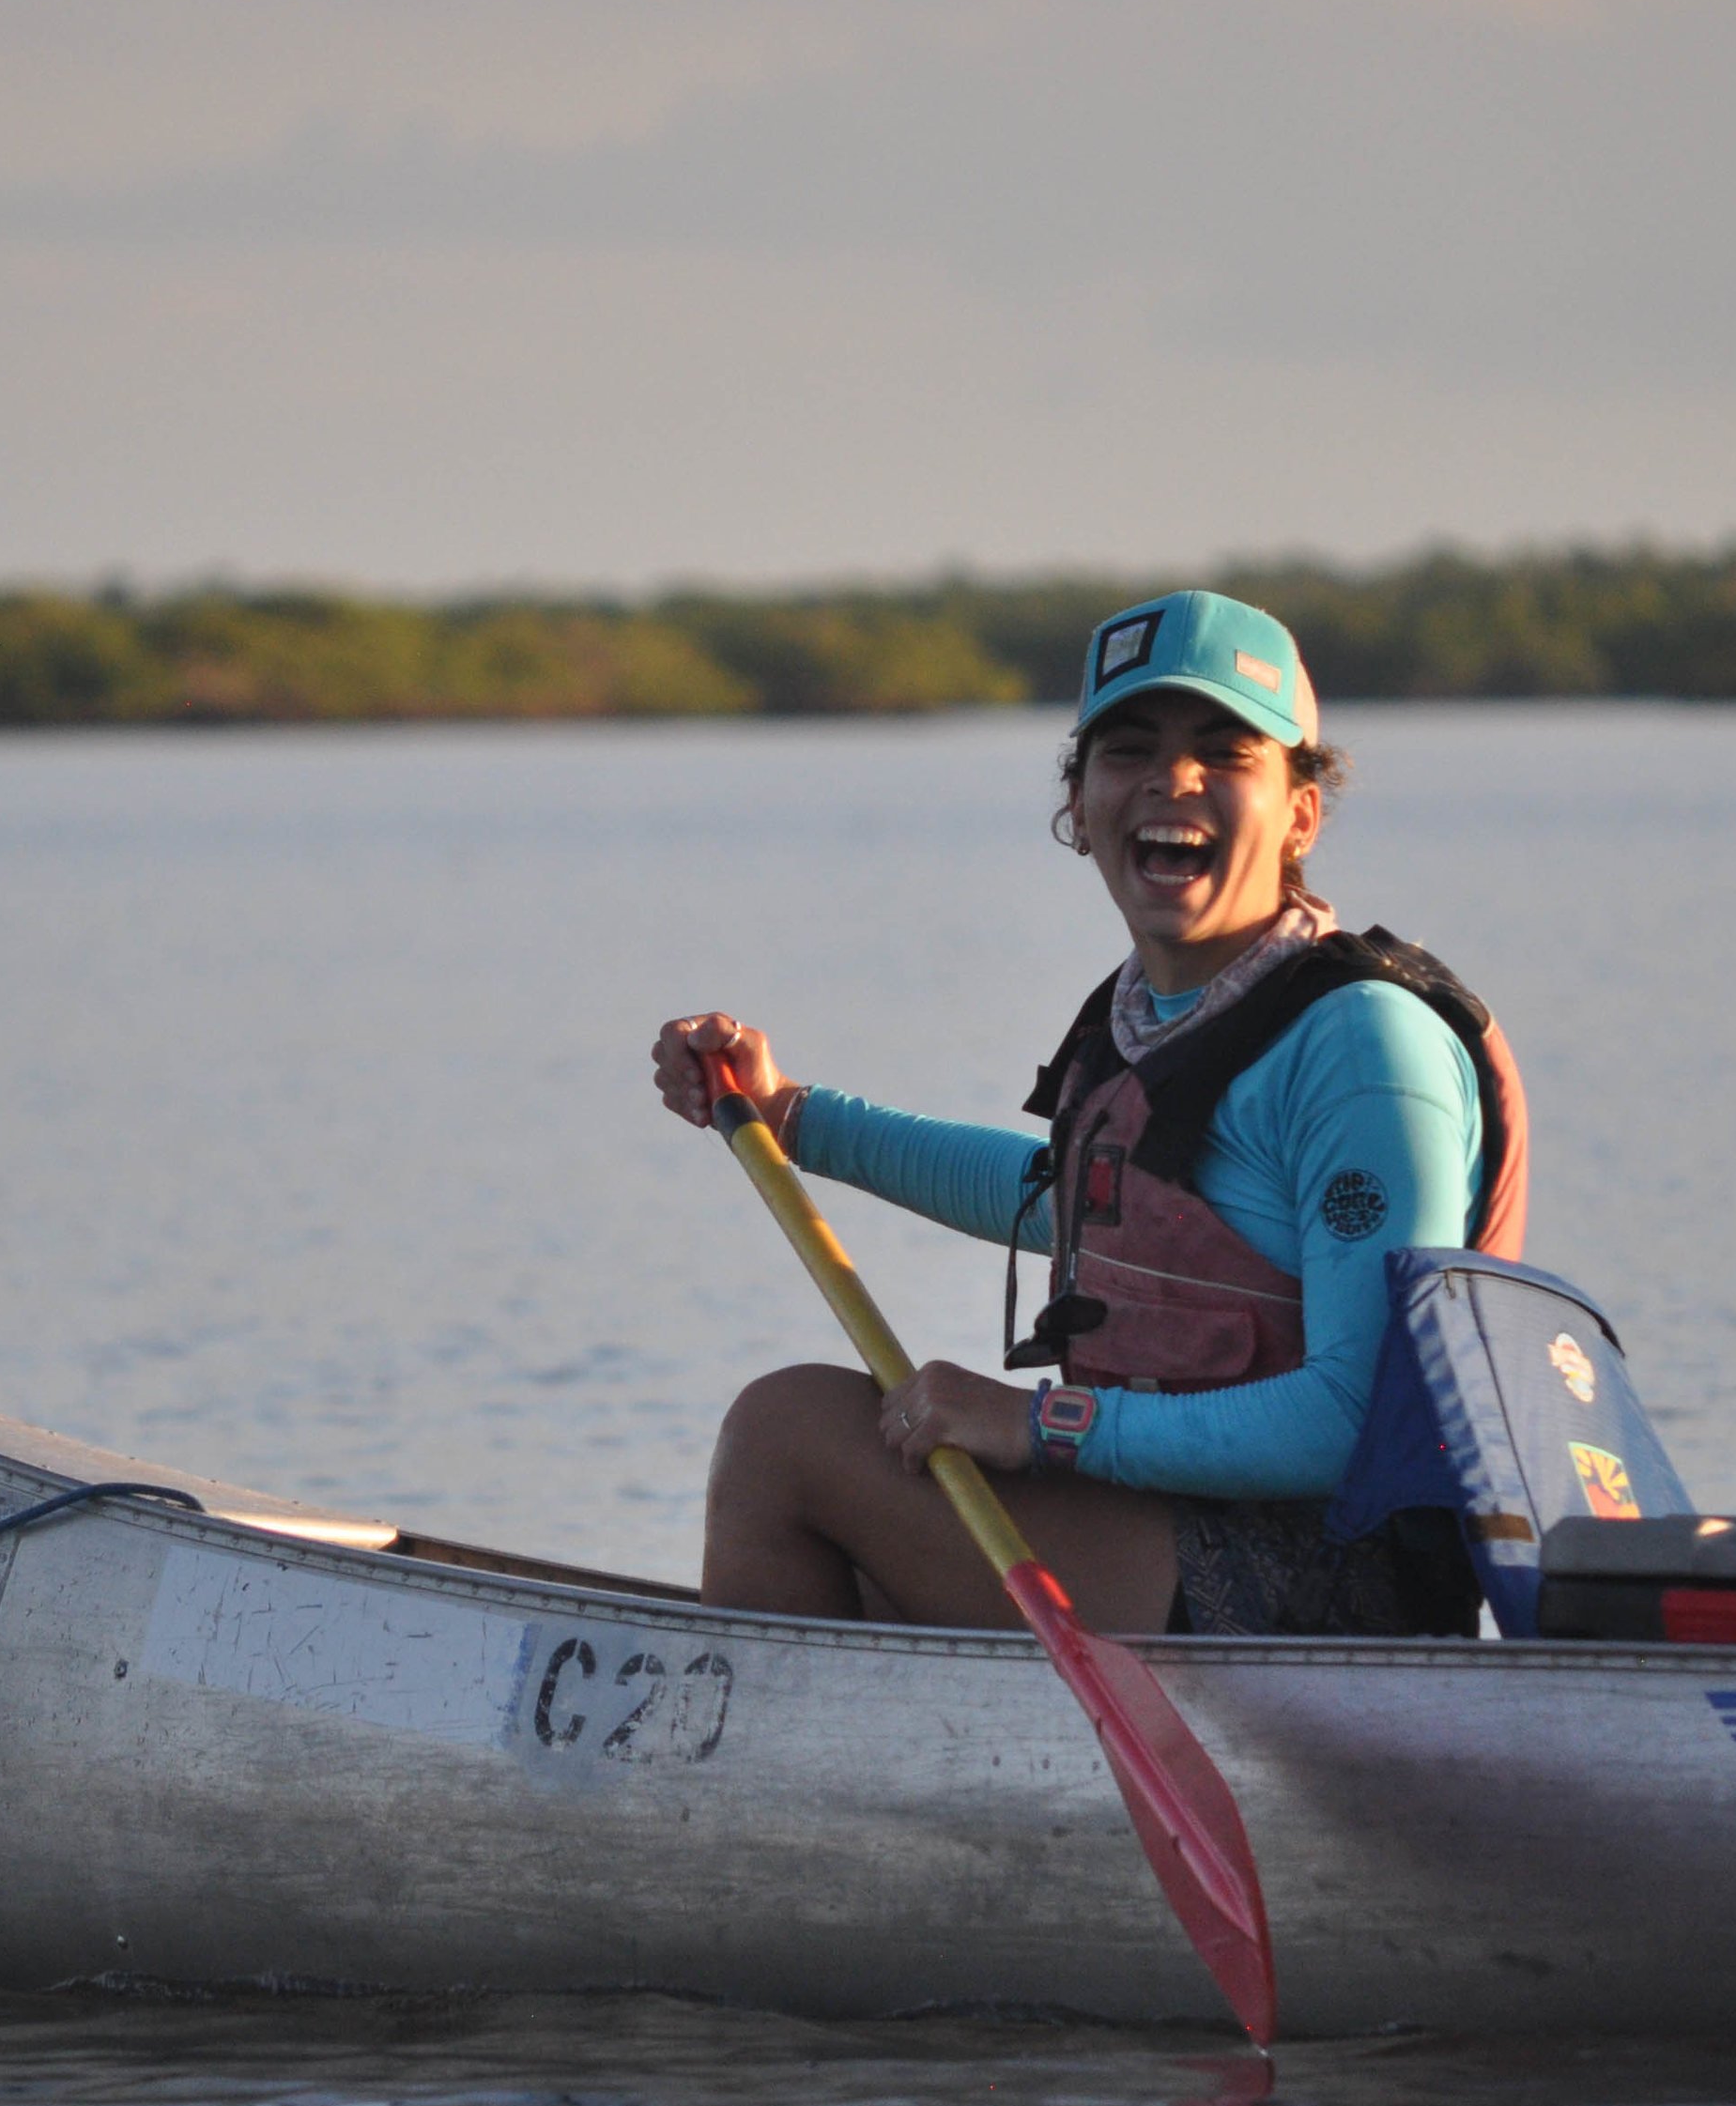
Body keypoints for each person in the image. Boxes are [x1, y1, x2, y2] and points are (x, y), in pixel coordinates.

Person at [651, 591, 1529, 1637]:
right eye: (1129, 748)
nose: (1174, 778)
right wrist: (791, 1114)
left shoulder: (1361, 1044)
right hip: (1177, 1534)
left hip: (1337, 1588)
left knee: (787, 1433)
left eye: (1227, 751)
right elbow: (1072, 1203)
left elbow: (1349, 1419)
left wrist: (1041, 1421)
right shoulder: (1156, 1016)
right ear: (1079, 801)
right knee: (843, 1559)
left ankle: (758, 1788)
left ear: (1301, 808)